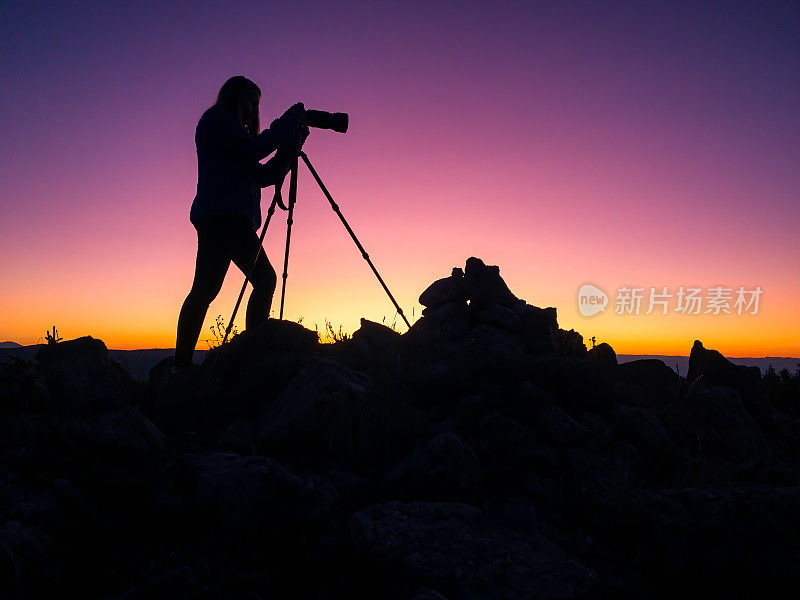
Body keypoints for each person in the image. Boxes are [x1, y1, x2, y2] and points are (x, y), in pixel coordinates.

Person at [173, 76, 308, 372]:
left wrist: (288, 148)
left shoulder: (233, 136)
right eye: (249, 102)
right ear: (232, 97)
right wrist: (286, 123)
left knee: (205, 291)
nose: (252, 110)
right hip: (226, 219)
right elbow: (254, 152)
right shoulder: (216, 120)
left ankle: (180, 366)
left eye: (256, 105)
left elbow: (263, 176)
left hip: (220, 219)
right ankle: (252, 355)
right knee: (264, 280)